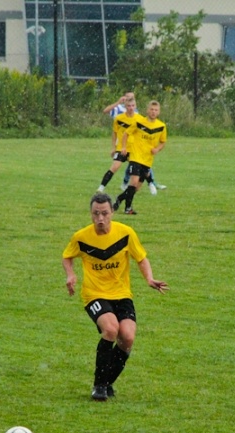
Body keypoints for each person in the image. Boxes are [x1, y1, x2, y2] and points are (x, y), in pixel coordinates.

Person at [62, 193, 168, 401]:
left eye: (104, 213)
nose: (100, 218)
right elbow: (67, 257)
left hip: (121, 294)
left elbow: (141, 258)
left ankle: (107, 382)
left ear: (112, 212)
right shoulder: (81, 237)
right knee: (111, 329)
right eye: (96, 214)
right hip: (94, 294)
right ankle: (99, 386)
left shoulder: (125, 233)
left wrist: (149, 278)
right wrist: (71, 274)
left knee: (127, 336)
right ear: (90, 214)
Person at [102, 92, 164, 195]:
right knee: (119, 166)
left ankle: (150, 183)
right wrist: (117, 102)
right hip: (122, 145)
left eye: (132, 98)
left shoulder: (137, 114)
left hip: (135, 145)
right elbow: (106, 112)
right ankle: (108, 186)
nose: (131, 106)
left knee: (141, 165)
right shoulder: (118, 109)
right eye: (128, 97)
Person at [114, 101, 167, 215]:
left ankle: (120, 198)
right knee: (133, 182)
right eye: (151, 109)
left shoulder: (161, 126)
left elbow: (163, 142)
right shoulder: (139, 122)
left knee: (136, 187)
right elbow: (126, 134)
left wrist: (157, 149)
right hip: (136, 156)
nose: (153, 112)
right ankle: (128, 208)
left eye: (156, 110)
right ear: (147, 110)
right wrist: (124, 147)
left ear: (159, 112)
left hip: (147, 160)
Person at [97, 97, 137, 193]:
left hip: (133, 148)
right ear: (125, 107)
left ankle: (150, 184)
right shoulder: (119, 118)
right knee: (115, 167)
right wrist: (113, 147)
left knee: (140, 170)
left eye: (133, 106)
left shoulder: (140, 119)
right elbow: (114, 133)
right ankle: (101, 187)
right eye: (129, 106)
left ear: (135, 106)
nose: (131, 108)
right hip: (121, 147)